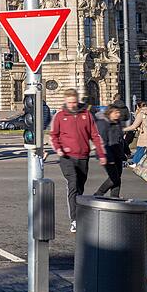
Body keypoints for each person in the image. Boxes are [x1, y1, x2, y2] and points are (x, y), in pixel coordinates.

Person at [50, 89, 107, 233]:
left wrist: (101, 154)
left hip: (83, 156)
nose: (72, 105)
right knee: (73, 184)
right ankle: (74, 219)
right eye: (69, 102)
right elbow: (54, 135)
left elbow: (94, 135)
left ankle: (80, 215)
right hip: (66, 157)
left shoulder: (86, 114)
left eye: (74, 102)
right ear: (65, 102)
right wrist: (58, 149)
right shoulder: (60, 116)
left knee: (80, 188)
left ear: (77, 101)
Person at [95, 106, 126, 197]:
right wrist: (107, 156)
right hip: (108, 154)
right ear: (109, 113)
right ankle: (98, 194)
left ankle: (114, 197)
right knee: (114, 178)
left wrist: (126, 150)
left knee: (117, 177)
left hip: (118, 153)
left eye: (118, 112)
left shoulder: (117, 123)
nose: (118, 114)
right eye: (115, 112)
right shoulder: (103, 123)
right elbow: (102, 141)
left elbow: (121, 139)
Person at [123, 101, 147, 166]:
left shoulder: (141, 114)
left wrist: (122, 129)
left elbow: (134, 126)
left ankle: (135, 162)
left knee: (140, 149)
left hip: (144, 137)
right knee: (146, 151)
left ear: (138, 107)